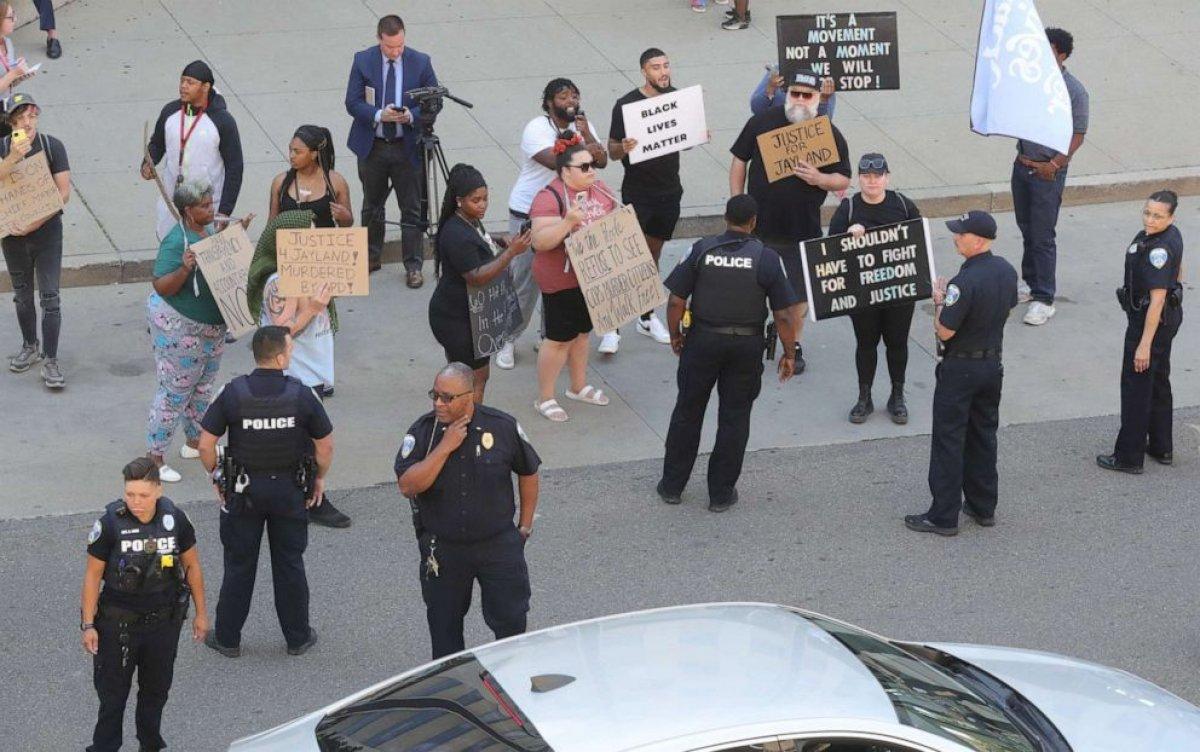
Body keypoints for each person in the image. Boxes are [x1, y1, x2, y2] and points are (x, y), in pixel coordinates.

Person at [197, 325, 334, 658]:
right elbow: (325, 444)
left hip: (243, 494)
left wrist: (217, 475)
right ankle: (298, 638)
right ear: (279, 355)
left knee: (239, 564)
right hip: (289, 492)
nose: (292, 354)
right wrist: (318, 478)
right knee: (289, 563)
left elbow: (206, 444)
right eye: (290, 348)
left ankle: (228, 639)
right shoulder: (301, 394)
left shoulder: (233, 393)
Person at [657, 195, 800, 512]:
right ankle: (720, 494)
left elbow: (675, 301)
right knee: (734, 419)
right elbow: (785, 315)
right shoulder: (765, 258)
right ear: (754, 222)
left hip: (702, 341)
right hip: (745, 348)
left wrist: (675, 335)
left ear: (725, 217)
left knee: (687, 413)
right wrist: (789, 353)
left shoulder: (701, 249)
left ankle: (671, 485)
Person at [395, 363, 540, 659]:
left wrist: (524, 526)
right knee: (444, 628)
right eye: (435, 395)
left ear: (470, 395)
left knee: (510, 622)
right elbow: (408, 486)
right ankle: (451, 691)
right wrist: (445, 447)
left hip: (497, 545)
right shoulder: (424, 432)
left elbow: (529, 470)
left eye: (447, 397)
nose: (438, 403)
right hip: (445, 550)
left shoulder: (502, 426)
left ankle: (509, 683)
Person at [81, 457, 208, 752]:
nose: (136, 502)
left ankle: (150, 745)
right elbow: (92, 576)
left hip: (163, 623)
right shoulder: (110, 523)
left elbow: (192, 567)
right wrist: (88, 624)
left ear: (159, 491)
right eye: (130, 494)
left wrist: (202, 613)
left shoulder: (175, 519)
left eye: (143, 495)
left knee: (156, 692)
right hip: (118, 625)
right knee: (112, 697)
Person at [730, 69, 851, 373]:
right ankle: (750, 340)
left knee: (798, 294)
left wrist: (820, 177)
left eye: (806, 95)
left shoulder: (827, 134)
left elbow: (843, 178)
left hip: (802, 228)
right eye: (794, 93)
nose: (798, 100)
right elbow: (739, 160)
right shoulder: (762, 123)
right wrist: (736, 202)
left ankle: (791, 344)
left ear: (818, 99)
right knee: (750, 290)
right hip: (759, 227)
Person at [905, 211, 1017, 536]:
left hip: (960, 369)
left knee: (949, 439)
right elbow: (1007, 307)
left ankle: (943, 515)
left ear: (978, 240)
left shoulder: (963, 282)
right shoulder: (1006, 271)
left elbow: (945, 332)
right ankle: (983, 506)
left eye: (961, 234)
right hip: (991, 365)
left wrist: (939, 303)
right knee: (984, 434)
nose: (955, 238)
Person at [146, 179, 254, 483]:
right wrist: (184, 268)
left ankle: (195, 441)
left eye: (211, 203)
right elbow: (161, 285)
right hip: (181, 326)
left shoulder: (204, 231)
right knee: (176, 391)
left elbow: (217, 256)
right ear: (188, 211)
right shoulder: (175, 242)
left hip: (210, 328)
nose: (213, 209)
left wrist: (234, 236)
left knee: (203, 387)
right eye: (205, 206)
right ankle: (154, 457)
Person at [503, 77, 608, 368]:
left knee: (558, 280)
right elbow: (557, 162)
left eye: (574, 95)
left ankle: (548, 336)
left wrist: (586, 134)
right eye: (563, 97)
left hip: (565, 213)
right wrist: (585, 146)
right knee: (524, 281)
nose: (571, 101)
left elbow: (601, 160)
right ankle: (508, 339)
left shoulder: (582, 126)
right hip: (527, 212)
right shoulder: (537, 128)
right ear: (549, 102)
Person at [827, 153, 922, 424]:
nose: (872, 182)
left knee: (897, 344)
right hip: (862, 292)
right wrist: (848, 236)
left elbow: (919, 244)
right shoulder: (848, 209)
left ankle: (897, 396)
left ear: (886, 178)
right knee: (866, 344)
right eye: (866, 177)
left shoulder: (903, 205)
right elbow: (829, 251)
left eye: (877, 176)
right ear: (859, 179)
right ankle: (864, 397)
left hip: (899, 291)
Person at [345, 14, 437, 286]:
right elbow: (352, 102)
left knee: (410, 207)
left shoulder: (421, 62)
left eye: (399, 46)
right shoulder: (363, 61)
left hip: (406, 146)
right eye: (389, 47)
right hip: (373, 146)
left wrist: (411, 115)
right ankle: (372, 256)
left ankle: (413, 265)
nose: (395, 52)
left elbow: (434, 103)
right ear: (379, 40)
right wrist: (377, 115)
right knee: (372, 204)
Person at [1097, 191, 1184, 474]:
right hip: (1166, 319)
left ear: (1171, 216)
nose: (1150, 219)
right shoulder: (1170, 236)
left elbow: (1157, 299)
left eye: (1158, 215)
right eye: (1147, 212)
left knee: (1136, 387)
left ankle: (1128, 457)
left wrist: (1143, 345)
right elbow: (1179, 269)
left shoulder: (1159, 249)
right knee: (1158, 381)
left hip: (1150, 322)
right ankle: (1162, 446)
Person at [430, 164, 531, 403]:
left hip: (468, 315)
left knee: (472, 375)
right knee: (471, 379)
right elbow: (475, 276)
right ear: (459, 201)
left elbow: (477, 241)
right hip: (458, 320)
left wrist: (497, 240)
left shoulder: (468, 220)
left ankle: (465, 418)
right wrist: (511, 253)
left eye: (485, 198)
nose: (483, 204)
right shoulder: (456, 233)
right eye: (476, 200)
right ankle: (467, 422)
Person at [529, 142, 616, 422]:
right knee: (557, 340)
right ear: (565, 172)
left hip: (591, 279)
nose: (592, 171)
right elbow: (539, 241)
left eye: (592, 164)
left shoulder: (601, 190)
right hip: (561, 280)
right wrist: (567, 222)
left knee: (581, 334)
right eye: (584, 167)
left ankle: (578, 386)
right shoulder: (548, 197)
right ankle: (546, 397)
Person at [1012, 27, 1088, 327]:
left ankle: (1044, 297)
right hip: (1022, 166)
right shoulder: (1030, 82)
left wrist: (1055, 164)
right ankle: (1030, 283)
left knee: (1042, 234)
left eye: (1048, 50)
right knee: (1027, 227)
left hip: (1046, 171)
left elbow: (1078, 134)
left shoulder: (1074, 91)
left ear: (1062, 54)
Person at [607, 48, 680, 347]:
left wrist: (697, 132)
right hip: (638, 191)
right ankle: (611, 326)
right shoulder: (626, 105)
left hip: (670, 191)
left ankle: (646, 317)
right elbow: (611, 152)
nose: (663, 72)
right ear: (643, 72)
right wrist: (624, 146)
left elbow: (683, 140)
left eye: (666, 65)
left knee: (652, 256)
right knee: (627, 259)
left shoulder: (676, 98)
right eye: (655, 67)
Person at [1, 92, 71, 388]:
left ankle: (51, 359)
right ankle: (30, 345)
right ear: (11, 121)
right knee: (22, 293)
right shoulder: (4, 148)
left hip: (46, 233)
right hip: (13, 235)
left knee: (50, 296)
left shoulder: (51, 146)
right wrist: (15, 156)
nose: (27, 122)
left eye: (31, 115)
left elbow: (63, 192)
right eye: (21, 117)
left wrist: (37, 220)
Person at [142, 61, 244, 242]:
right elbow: (157, 144)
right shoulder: (170, 112)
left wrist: (224, 211)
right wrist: (148, 163)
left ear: (206, 87)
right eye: (182, 81)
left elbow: (235, 167)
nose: (183, 86)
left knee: (204, 257)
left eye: (190, 82)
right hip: (172, 200)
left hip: (206, 205)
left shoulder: (223, 121)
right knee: (171, 251)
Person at [268, 124, 354, 229]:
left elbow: (347, 225)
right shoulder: (280, 182)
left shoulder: (336, 182)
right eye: (290, 150)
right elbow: (271, 225)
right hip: (289, 244)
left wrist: (345, 217)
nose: (291, 156)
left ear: (314, 154)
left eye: (297, 152)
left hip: (325, 244)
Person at [751, 67, 836, 118]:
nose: (800, 99)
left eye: (807, 95)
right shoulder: (779, 71)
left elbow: (825, 123)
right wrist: (770, 89)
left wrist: (823, 100)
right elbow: (756, 109)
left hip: (809, 139)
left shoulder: (825, 76)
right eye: (794, 94)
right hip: (773, 137)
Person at [1, 1, 33, 128]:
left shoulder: (7, 43)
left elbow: (7, 81)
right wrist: (14, 73)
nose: (15, 19)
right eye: (10, 16)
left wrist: (20, 75)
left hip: (5, 106)